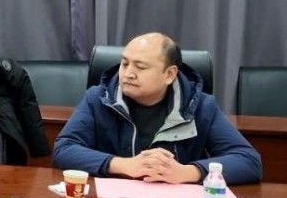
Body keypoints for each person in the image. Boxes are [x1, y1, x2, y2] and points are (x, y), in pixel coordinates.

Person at [53, 32, 262, 185]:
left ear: (169, 74)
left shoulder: (200, 106)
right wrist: (124, 165)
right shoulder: (99, 98)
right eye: (124, 64)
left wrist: (187, 172)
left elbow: (248, 161)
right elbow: (64, 149)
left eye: (140, 67)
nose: (128, 74)